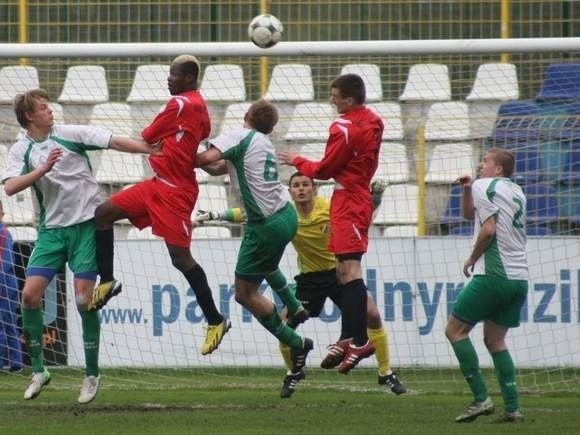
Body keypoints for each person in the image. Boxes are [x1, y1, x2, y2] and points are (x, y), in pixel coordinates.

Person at [198, 173, 407, 398]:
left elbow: (361, 216)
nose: (301, 189)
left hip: (339, 274)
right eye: (296, 185)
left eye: (305, 185)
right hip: (309, 279)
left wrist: (375, 198)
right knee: (284, 324)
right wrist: (216, 215)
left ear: (314, 188)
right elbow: (249, 214)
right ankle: (294, 372)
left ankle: (385, 372)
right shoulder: (286, 214)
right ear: (290, 192)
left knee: (372, 314)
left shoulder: (329, 207)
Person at [2, 88, 151, 403]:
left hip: (85, 227)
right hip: (51, 232)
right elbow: (11, 187)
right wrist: (42, 170)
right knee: (29, 296)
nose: (50, 110)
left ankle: (92, 373)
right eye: (43, 108)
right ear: (30, 116)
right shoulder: (21, 149)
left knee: (84, 301)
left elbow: (114, 140)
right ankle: (40, 370)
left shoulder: (70, 133)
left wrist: (150, 150)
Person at [91, 55, 230, 356]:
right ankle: (107, 280)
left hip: (176, 192)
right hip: (158, 183)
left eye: (174, 74)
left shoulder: (180, 105)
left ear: (189, 78)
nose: (169, 79)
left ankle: (216, 321)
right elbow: (194, 139)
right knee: (103, 214)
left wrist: (171, 145)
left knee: (181, 259)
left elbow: (148, 136)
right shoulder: (200, 106)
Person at [195, 99, 313, 375]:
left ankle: (295, 341)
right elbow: (214, 168)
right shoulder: (260, 143)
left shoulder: (239, 136)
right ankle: (294, 306)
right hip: (287, 215)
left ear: (246, 115)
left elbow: (204, 159)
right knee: (266, 264)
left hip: (266, 225)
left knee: (244, 294)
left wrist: (178, 147)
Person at [279, 73, 382, 374]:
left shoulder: (343, 127)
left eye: (335, 95)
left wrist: (298, 161)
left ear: (349, 100)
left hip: (349, 199)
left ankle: (358, 339)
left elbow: (324, 169)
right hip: (357, 194)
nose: (331, 99)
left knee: (349, 272)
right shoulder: (374, 120)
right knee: (343, 271)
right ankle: (348, 337)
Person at [445, 148, 528, 424]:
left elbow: (488, 229)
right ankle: (513, 407)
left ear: (498, 169)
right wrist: (467, 190)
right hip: (518, 279)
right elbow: (472, 216)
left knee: (455, 331)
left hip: (493, 274)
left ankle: (481, 398)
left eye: (485, 162)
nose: (480, 166)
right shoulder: (516, 191)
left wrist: (472, 257)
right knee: (495, 340)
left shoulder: (486, 185)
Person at [0, 200, 24, 374]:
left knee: (6, 323)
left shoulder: (4, 234)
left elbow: (6, 263)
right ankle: (16, 362)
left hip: (5, 284)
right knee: (8, 324)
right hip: (6, 283)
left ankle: (11, 362)